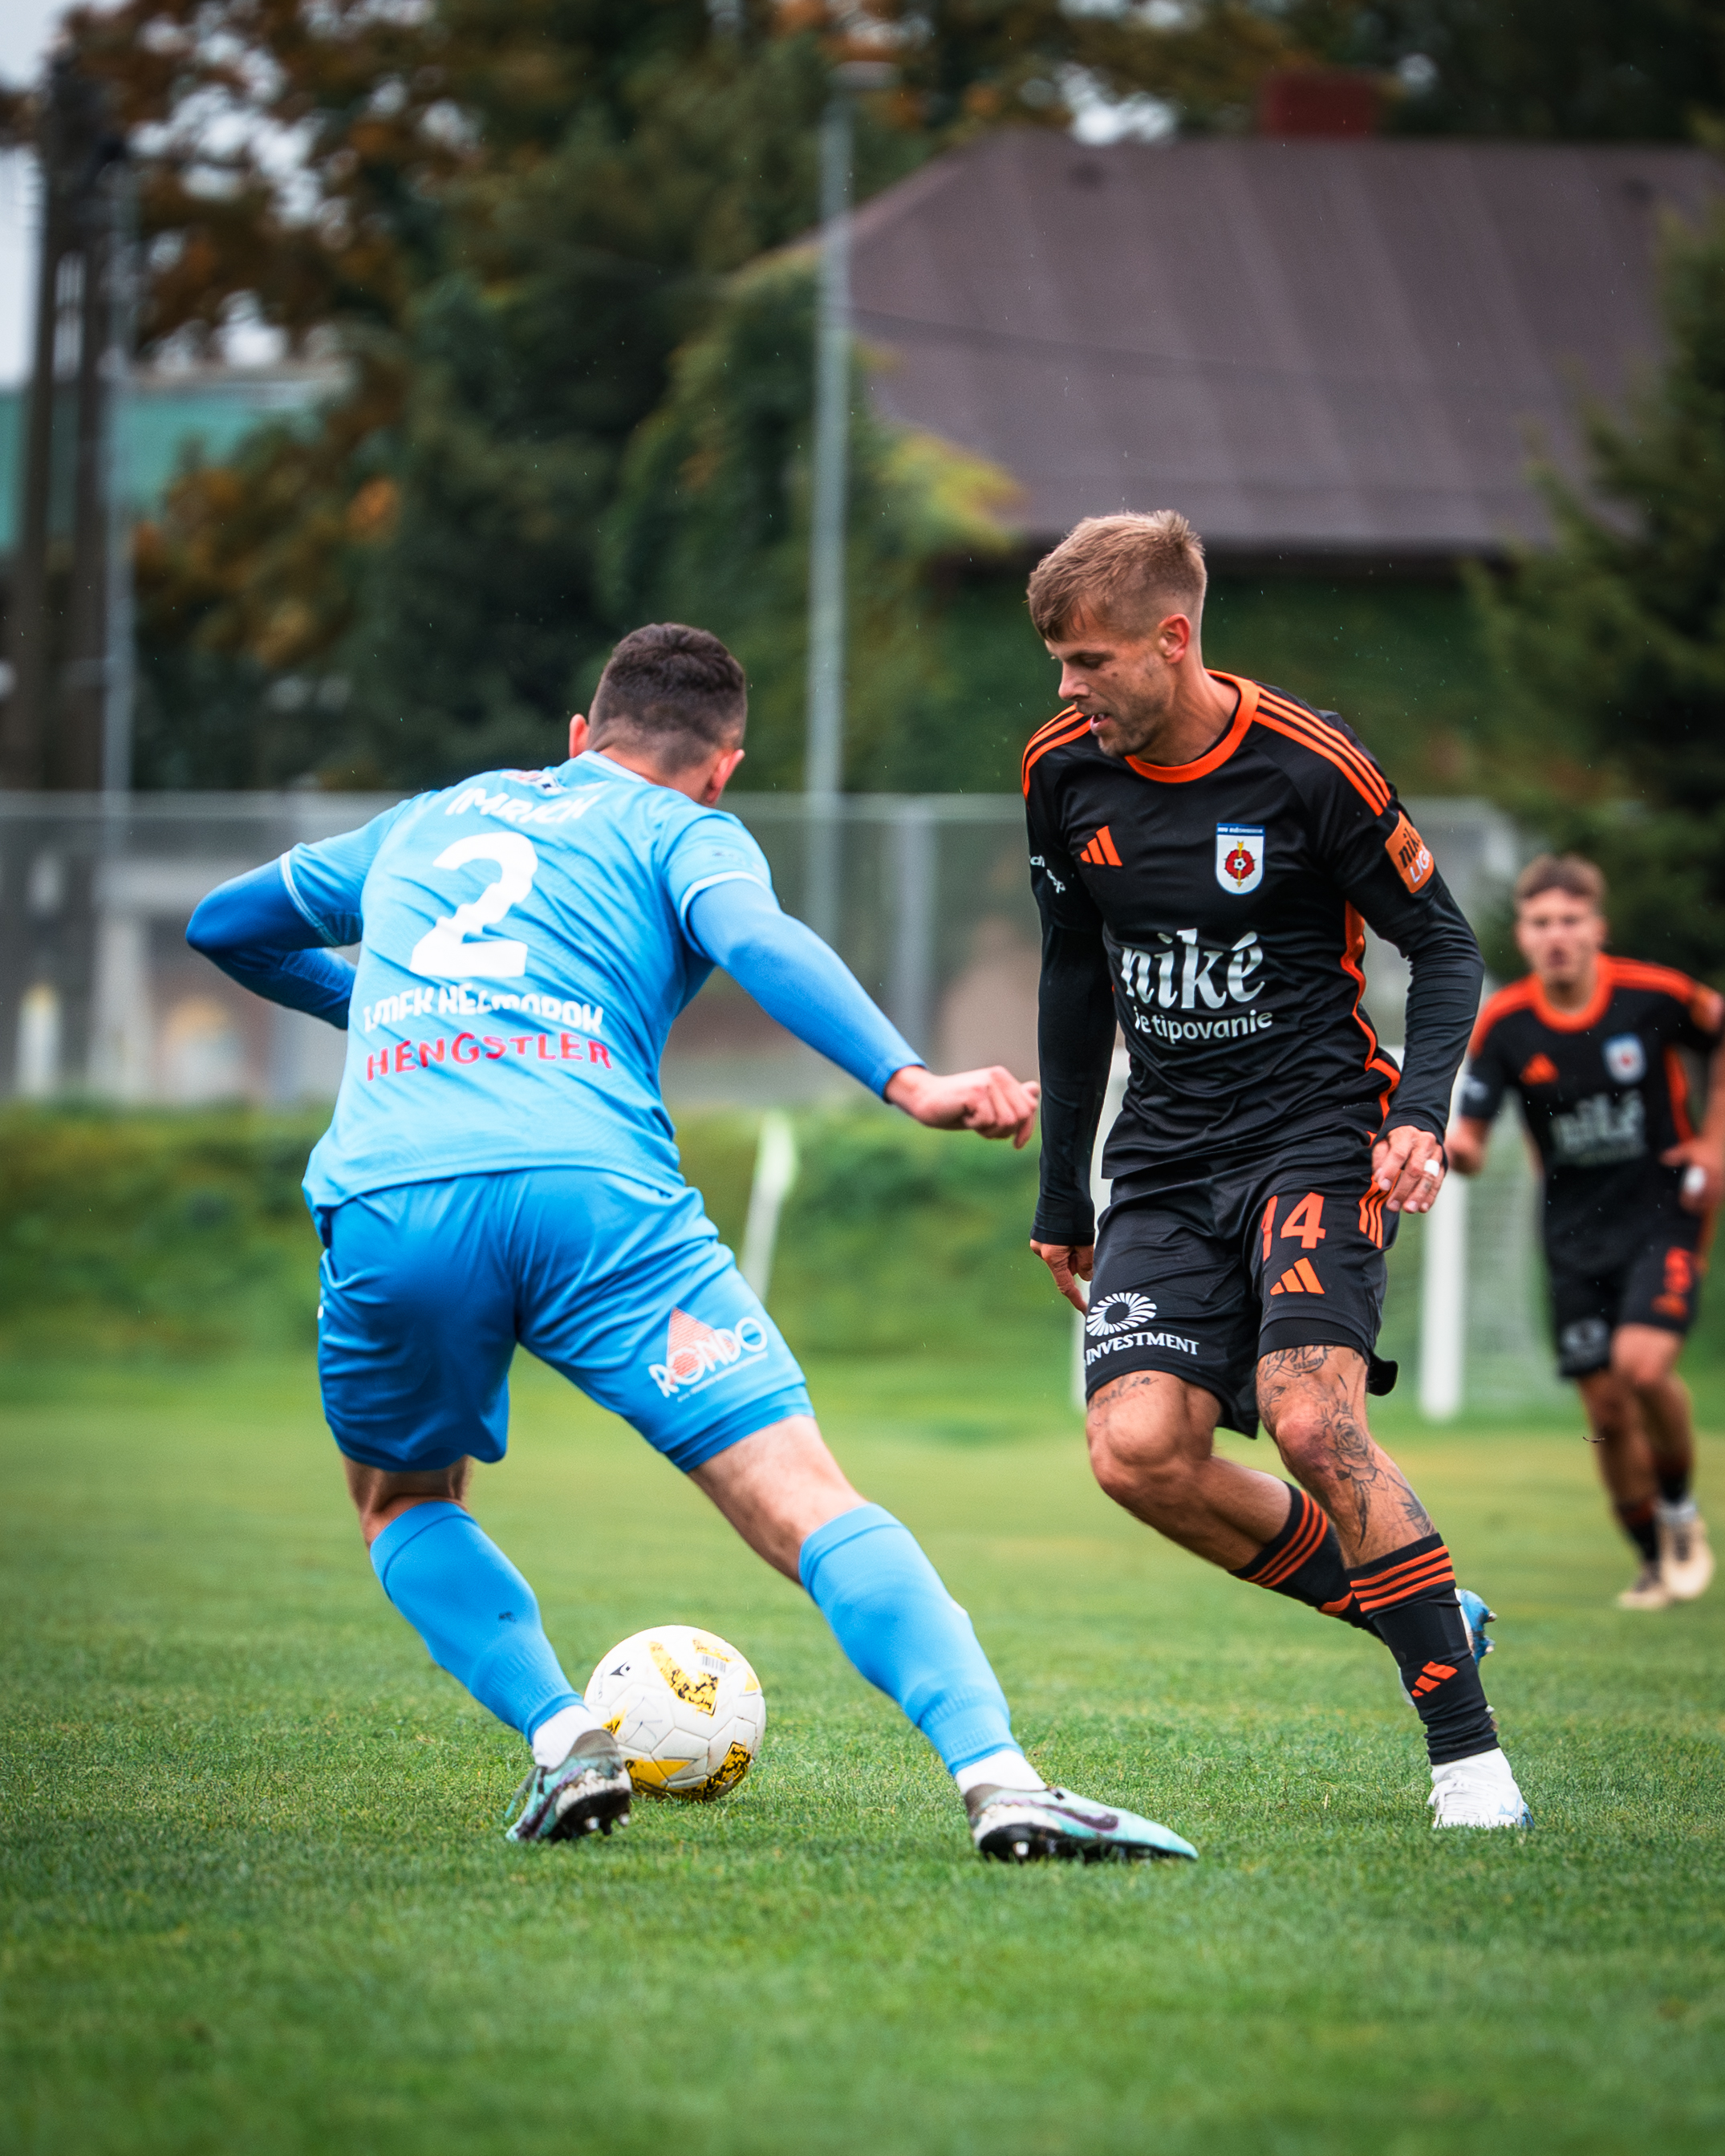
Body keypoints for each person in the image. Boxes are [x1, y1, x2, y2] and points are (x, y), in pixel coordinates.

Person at [186, 622, 1195, 1864]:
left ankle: (562, 1734)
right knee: (803, 1497)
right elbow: (757, 939)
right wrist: (909, 1078)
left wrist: (397, 1006)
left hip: (396, 1195)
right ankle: (1000, 1777)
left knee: (400, 1499)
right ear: (722, 769)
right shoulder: (683, 829)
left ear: (579, 734)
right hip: (594, 1196)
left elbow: (223, 923)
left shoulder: (426, 818)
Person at [1023, 511, 1530, 1831]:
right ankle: (1424, 1607)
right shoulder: (1060, 773)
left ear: (1171, 638)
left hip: (1314, 1134)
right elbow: (1074, 978)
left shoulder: (1310, 766)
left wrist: (1418, 1115)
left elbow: (1445, 946)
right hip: (1161, 1158)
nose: (1066, 690)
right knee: (1137, 1452)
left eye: (1087, 662)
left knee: (1311, 1421)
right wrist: (1061, 1191)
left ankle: (1471, 1766)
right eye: (1058, 664)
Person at [1448, 854, 1721, 1610]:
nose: (1557, 935)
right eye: (1541, 922)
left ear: (1597, 928)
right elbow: (1471, 1138)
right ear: (1523, 936)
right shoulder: (1507, 1025)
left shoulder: (1652, 995)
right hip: (1571, 1233)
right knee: (1604, 1411)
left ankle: (1680, 1513)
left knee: (1642, 1368)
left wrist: (1715, 1141)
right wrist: (1446, 1152)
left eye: (1571, 920)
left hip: (1662, 1211)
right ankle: (1652, 1560)